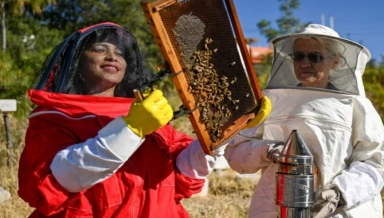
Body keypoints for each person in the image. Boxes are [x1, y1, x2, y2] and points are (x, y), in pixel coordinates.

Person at [17, 22, 269, 217]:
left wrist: (226, 128)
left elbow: (184, 173)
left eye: (119, 53)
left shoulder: (144, 112)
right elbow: (62, 178)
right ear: (77, 64)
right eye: (99, 49)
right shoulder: (54, 117)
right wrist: (131, 129)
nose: (112, 56)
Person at [224, 24, 384, 218]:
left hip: (336, 212)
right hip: (274, 208)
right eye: (298, 56)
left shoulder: (355, 105)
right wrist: (268, 150)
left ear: (335, 61)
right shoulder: (270, 101)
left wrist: (339, 193)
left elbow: (378, 162)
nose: (304, 63)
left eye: (314, 56)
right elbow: (236, 154)